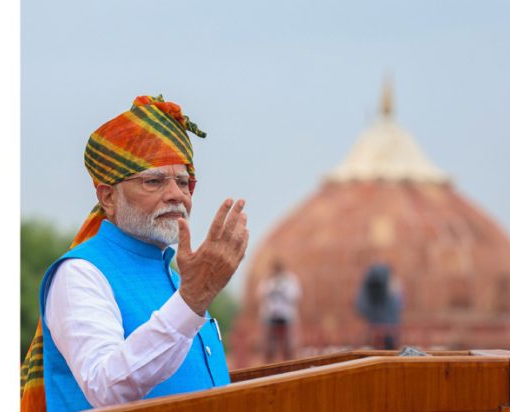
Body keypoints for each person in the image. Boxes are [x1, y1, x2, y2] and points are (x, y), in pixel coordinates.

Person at [20, 95, 249, 411]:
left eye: (183, 182)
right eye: (154, 182)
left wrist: (192, 296)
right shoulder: (80, 274)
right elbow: (106, 388)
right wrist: (192, 300)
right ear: (108, 197)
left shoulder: (173, 274)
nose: (175, 195)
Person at [257, 261, 302, 363]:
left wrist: (282, 290)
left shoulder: (290, 280)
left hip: (286, 316)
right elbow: (260, 295)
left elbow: (295, 296)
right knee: (269, 346)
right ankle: (269, 367)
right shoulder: (267, 281)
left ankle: (289, 365)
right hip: (270, 316)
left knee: (288, 345)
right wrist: (272, 290)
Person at [355, 263, 402, 350]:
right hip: (381, 330)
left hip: (385, 330)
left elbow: (361, 307)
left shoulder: (389, 286)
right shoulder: (370, 287)